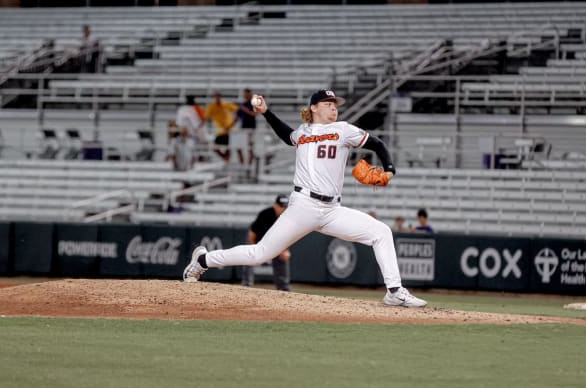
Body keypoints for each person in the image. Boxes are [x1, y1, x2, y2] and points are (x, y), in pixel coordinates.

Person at [183, 88, 427, 308]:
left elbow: (377, 144)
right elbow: (285, 134)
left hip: (332, 210)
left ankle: (394, 291)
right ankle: (204, 259)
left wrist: (389, 170)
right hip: (303, 206)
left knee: (381, 232)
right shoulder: (302, 133)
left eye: (335, 104)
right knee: (259, 255)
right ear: (314, 107)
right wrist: (266, 112)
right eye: (328, 103)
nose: (334, 107)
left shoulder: (343, 129)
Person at [241, 194, 291, 291]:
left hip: (274, 242)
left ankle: (284, 288)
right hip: (257, 240)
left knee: (283, 256)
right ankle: (247, 285)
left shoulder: (287, 217)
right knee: (249, 256)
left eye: (285, 207)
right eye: (281, 206)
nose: (282, 209)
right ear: (275, 205)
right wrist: (253, 248)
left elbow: (287, 237)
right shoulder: (265, 214)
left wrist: (285, 250)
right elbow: (252, 233)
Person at [205, 92, 240, 163]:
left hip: (229, 131)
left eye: (218, 96)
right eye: (216, 97)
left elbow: (239, 111)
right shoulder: (212, 107)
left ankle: (227, 161)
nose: (217, 98)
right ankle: (225, 158)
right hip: (220, 131)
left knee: (229, 148)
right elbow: (206, 118)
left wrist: (233, 122)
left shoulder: (227, 105)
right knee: (215, 147)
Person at [166, 126, 196, 205]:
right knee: (179, 186)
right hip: (178, 168)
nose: (185, 132)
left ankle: (184, 202)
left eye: (186, 130)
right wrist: (175, 164)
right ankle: (177, 202)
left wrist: (192, 165)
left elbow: (193, 155)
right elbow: (172, 154)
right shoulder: (175, 141)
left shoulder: (191, 142)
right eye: (184, 130)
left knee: (187, 185)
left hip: (188, 168)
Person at [234, 88, 258, 166]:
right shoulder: (243, 104)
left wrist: (245, 110)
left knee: (249, 146)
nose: (245, 95)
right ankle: (242, 163)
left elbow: (254, 114)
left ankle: (250, 163)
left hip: (250, 128)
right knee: (239, 146)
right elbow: (237, 117)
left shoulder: (253, 104)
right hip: (243, 128)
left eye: (246, 93)